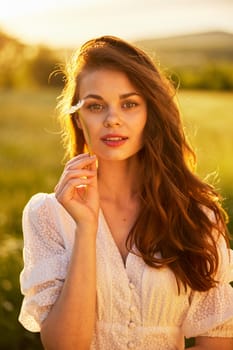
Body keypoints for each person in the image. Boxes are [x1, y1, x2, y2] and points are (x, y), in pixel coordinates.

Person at [19, 35, 233, 350]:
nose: (112, 119)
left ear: (151, 114)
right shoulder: (46, 215)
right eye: (95, 106)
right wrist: (86, 228)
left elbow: (217, 342)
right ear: (79, 118)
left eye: (129, 103)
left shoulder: (197, 215)